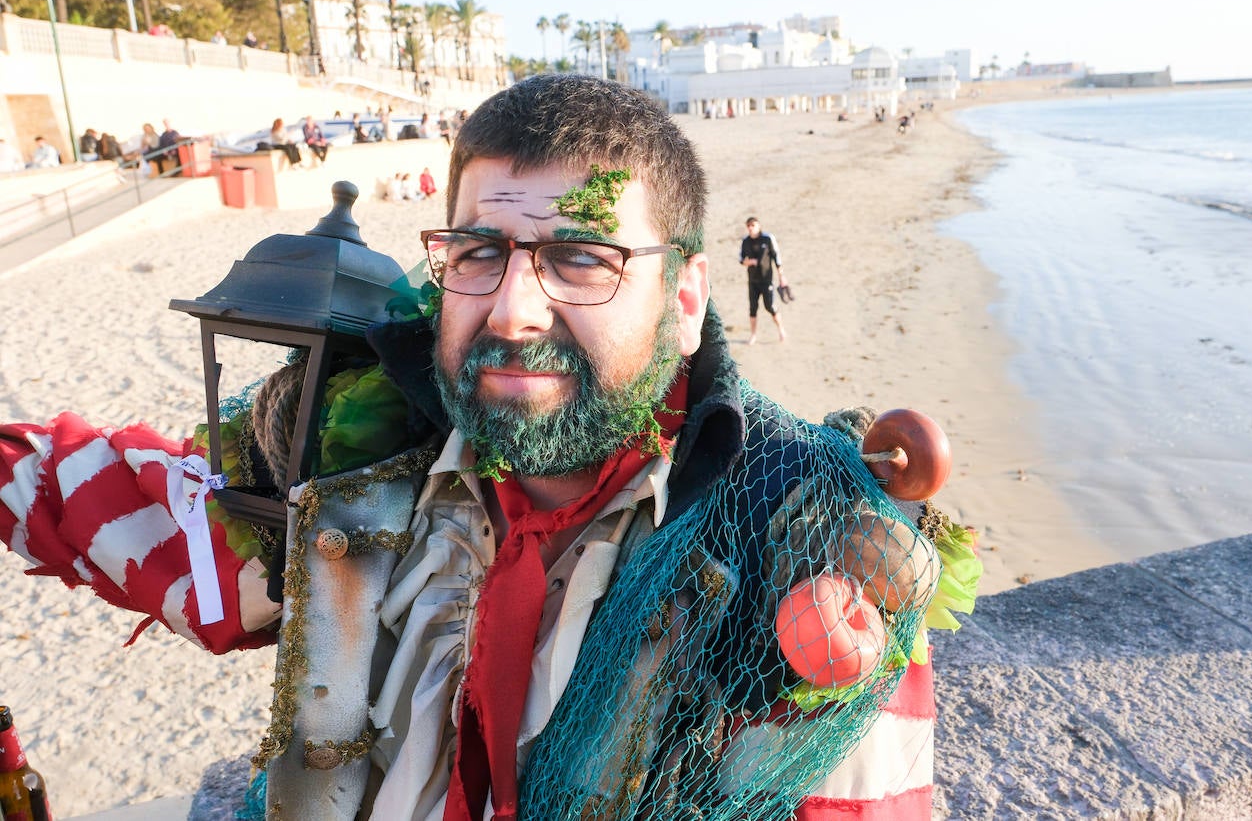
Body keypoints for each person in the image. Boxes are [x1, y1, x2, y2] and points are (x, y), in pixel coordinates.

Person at [0, 76, 977, 820]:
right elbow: (129, 513)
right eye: (479, 253)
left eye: (581, 257)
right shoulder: (348, 463)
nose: (513, 310)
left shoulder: (799, 542)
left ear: (684, 301)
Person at [739, 215, 787, 344]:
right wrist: (749, 262)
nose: (750, 228)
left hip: (767, 280)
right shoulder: (745, 241)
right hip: (752, 281)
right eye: (748, 226)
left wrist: (781, 277)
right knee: (753, 308)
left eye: (753, 225)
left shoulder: (767, 238)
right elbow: (741, 259)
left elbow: (777, 257)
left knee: (770, 306)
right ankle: (753, 335)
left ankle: (781, 330)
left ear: (758, 226)